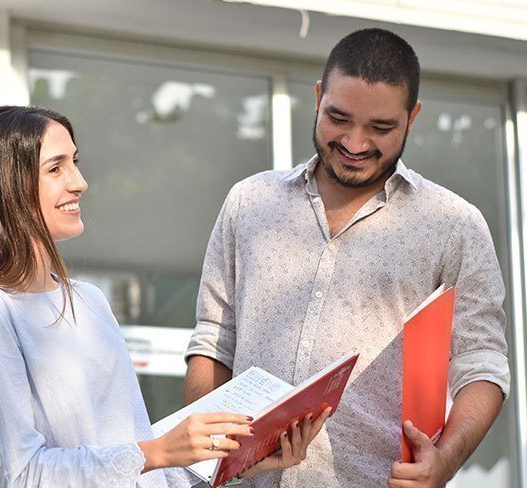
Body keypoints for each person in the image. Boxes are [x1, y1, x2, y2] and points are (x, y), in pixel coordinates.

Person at [0, 106, 331, 487]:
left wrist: (239, 458)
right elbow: (22, 474)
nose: (80, 182)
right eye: (55, 168)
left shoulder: (88, 302)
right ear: (3, 186)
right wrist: (158, 450)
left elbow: (139, 469)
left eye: (74, 162)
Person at [183, 28, 509, 488]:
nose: (355, 144)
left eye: (381, 128)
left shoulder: (454, 224)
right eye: (338, 118)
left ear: (412, 118)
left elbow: (481, 363)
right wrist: (207, 464)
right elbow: (215, 341)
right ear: (318, 97)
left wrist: (446, 460)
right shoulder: (249, 202)